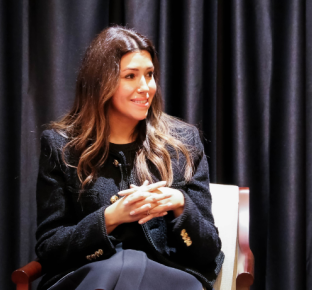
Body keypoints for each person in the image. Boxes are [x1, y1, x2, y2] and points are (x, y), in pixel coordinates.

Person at [35, 26, 223, 290]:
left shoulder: (183, 143)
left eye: (149, 74)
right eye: (131, 76)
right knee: (123, 266)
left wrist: (182, 205)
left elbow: (209, 250)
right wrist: (110, 218)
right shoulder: (62, 146)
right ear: (101, 82)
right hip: (89, 275)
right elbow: (49, 248)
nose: (145, 87)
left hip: (168, 276)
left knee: (135, 265)